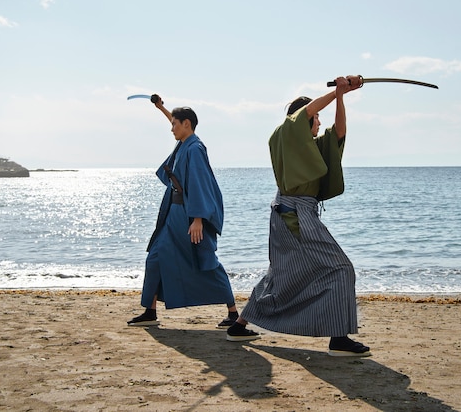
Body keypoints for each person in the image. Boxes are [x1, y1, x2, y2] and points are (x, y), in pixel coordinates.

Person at [226, 76, 371, 356]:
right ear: (304, 119)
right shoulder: (286, 132)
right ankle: (338, 339)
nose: (318, 122)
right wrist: (336, 92)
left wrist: (341, 97)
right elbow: (304, 113)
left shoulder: (309, 147)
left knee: (279, 273)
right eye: (316, 118)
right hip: (294, 215)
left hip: (289, 214)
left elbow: (338, 132)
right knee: (341, 268)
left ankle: (239, 326)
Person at [128, 93, 242, 330]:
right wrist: (162, 109)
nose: (171, 129)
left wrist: (198, 219)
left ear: (186, 125)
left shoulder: (195, 149)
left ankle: (233, 312)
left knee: (205, 260)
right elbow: (177, 121)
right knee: (156, 257)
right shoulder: (185, 143)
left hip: (188, 215)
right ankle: (150, 311)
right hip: (173, 212)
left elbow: (200, 182)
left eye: (174, 124)